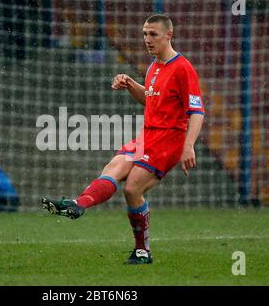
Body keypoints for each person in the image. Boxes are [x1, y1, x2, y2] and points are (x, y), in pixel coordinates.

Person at [41, 14, 205, 264]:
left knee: (132, 188)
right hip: (147, 135)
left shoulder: (182, 68)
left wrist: (188, 145)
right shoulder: (154, 66)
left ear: (168, 35)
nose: (147, 39)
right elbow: (151, 99)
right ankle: (78, 204)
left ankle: (142, 251)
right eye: (144, 34)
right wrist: (130, 84)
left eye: (153, 34)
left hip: (168, 140)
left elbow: (197, 111)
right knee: (113, 168)